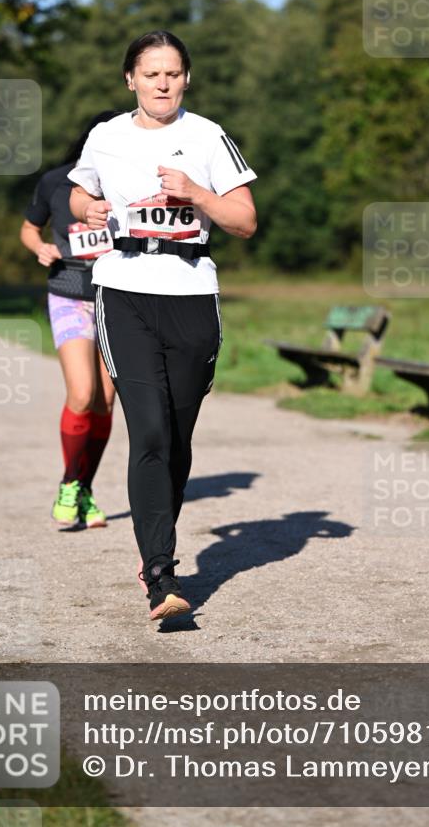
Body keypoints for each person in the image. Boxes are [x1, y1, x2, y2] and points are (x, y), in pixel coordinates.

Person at [68, 30, 257, 620]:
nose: (162, 84)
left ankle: (157, 549)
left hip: (192, 292)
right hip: (124, 288)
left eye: (172, 73)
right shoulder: (106, 136)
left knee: (175, 437)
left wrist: (198, 193)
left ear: (186, 79)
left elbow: (246, 221)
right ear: (131, 79)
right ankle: (161, 576)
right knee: (147, 431)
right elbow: (78, 193)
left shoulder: (206, 136)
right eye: (151, 74)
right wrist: (89, 208)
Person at [20, 111, 119, 529]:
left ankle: (85, 487)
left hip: (116, 298)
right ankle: (68, 481)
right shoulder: (56, 181)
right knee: (81, 394)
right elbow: (28, 228)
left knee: (106, 402)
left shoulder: (134, 181)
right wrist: (39, 248)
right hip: (68, 293)